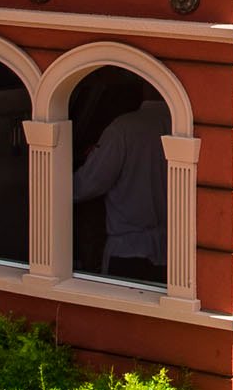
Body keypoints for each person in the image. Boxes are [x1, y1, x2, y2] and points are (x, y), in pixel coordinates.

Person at [71, 92, 174, 277]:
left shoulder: (123, 129)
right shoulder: (183, 126)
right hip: (174, 253)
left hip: (128, 252)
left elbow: (87, 184)